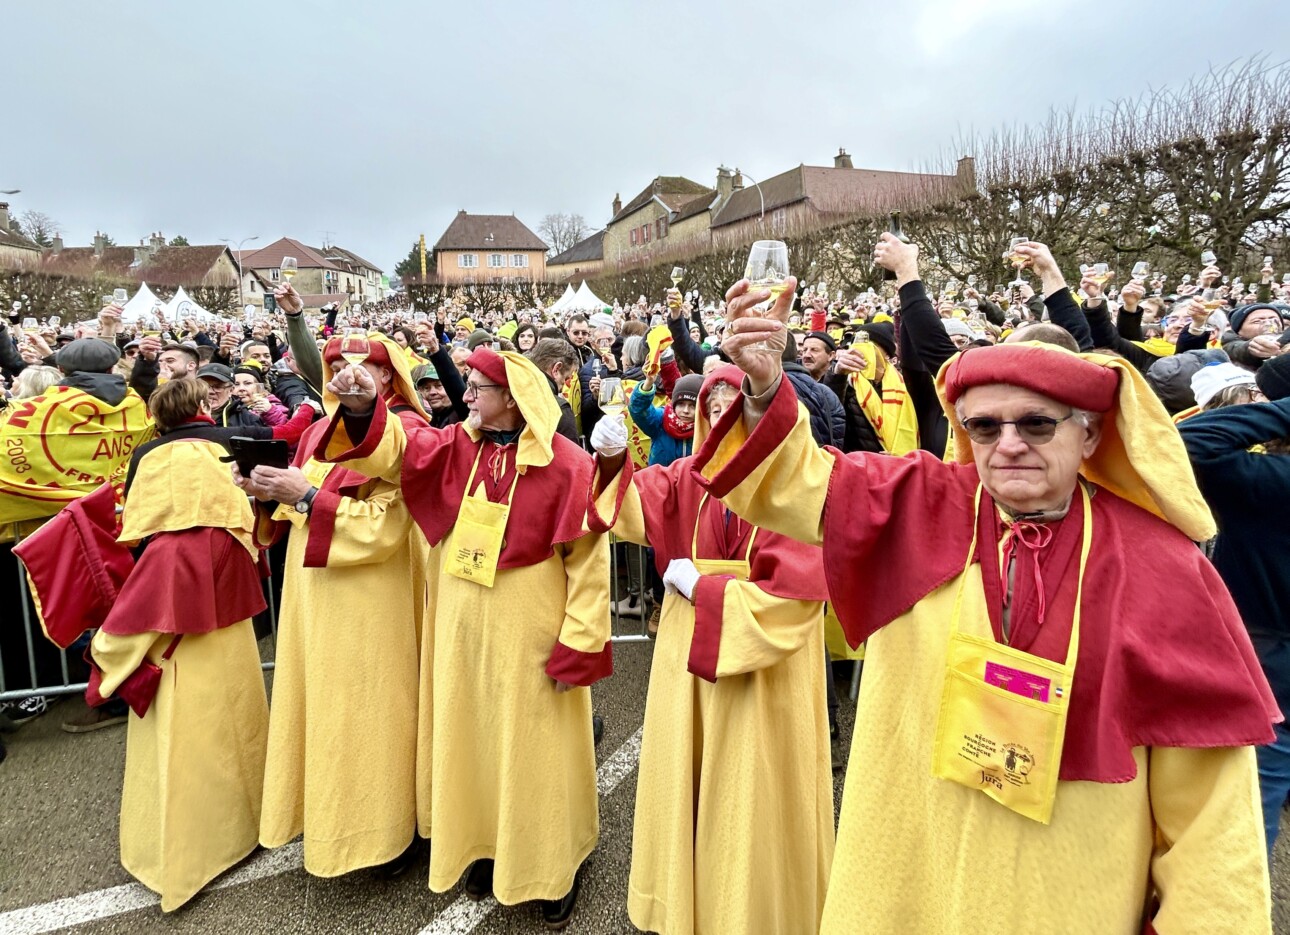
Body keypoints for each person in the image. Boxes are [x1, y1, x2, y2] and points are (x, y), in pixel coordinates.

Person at [695, 233, 1278, 934]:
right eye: (983, 425)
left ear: (1089, 434)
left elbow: (1213, 831)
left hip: (1064, 904)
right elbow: (791, 482)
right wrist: (764, 383)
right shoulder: (917, 500)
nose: (1007, 443)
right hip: (911, 885)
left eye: (1036, 422)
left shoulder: (1163, 565)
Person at [317, 346, 611, 928]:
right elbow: (394, 453)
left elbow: (589, 562)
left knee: (537, 750)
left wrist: (578, 641)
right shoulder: (453, 445)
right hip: (459, 624)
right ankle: (484, 845)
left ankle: (552, 864)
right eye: (468, 384)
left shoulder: (570, 463)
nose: (466, 394)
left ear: (513, 398)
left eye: (478, 386)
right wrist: (362, 405)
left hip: (530, 626)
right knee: (470, 740)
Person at [588, 366, 833, 935]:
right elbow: (624, 511)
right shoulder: (682, 477)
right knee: (689, 778)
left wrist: (708, 589)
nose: (723, 409)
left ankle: (753, 914)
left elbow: (796, 596)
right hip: (687, 652)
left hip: (765, 666)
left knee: (755, 792)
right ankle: (686, 906)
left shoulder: (797, 487)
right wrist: (609, 458)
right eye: (714, 400)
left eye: (735, 400)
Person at [54, 378, 268, 910]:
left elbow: (121, 638)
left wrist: (103, 659)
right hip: (227, 622)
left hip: (171, 656)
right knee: (235, 720)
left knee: (185, 741)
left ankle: (188, 849)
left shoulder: (165, 548)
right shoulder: (231, 535)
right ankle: (243, 822)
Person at [238, 334, 429, 879]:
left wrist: (302, 497)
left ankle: (393, 827)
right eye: (339, 367)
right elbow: (297, 501)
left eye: (366, 367)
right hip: (317, 599)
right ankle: (331, 820)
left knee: (376, 713)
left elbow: (387, 528)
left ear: (391, 378)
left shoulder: (412, 434)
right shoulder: (317, 431)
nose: (350, 376)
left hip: (375, 603)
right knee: (326, 711)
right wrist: (266, 488)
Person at [1179, 361, 1290, 860]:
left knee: (1263, 767)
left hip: (1265, 637)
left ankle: (1240, 895)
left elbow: (1188, 441)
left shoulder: (1264, 479)